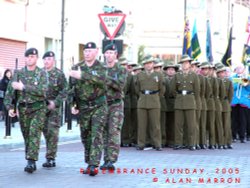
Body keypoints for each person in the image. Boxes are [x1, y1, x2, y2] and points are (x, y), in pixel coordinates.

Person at [4, 47, 48, 173]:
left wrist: (23, 87)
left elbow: (43, 91)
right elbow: (9, 92)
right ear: (25, 58)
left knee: (34, 132)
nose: (30, 59)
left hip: (38, 108)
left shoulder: (42, 73)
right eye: (28, 57)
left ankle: (31, 161)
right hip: (23, 109)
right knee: (27, 135)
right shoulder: (19, 73)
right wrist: (9, 107)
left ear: (36, 58)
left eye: (32, 56)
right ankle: (30, 157)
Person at [69, 42, 108, 176]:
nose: (87, 53)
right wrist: (73, 104)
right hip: (84, 107)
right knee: (85, 136)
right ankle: (89, 162)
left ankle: (93, 164)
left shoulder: (102, 66)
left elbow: (102, 81)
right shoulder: (77, 67)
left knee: (96, 134)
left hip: (99, 106)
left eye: (90, 51)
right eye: (85, 51)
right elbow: (72, 89)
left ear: (96, 52)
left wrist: (83, 75)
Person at [100, 43, 127, 171]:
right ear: (104, 54)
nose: (109, 55)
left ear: (116, 55)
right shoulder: (100, 69)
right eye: (107, 53)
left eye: (112, 53)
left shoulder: (121, 70)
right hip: (102, 104)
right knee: (103, 132)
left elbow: (120, 85)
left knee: (113, 131)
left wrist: (106, 78)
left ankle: (111, 159)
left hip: (115, 104)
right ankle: (105, 159)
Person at [41, 51, 68, 167]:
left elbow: (65, 90)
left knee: (52, 132)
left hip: (53, 108)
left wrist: (56, 102)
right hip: (40, 107)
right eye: (45, 59)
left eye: (49, 59)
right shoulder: (39, 73)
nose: (47, 61)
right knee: (43, 132)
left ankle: (50, 158)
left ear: (54, 61)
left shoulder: (59, 74)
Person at [170, 54, 200, 151]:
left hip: (190, 101)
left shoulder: (194, 76)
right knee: (178, 124)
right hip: (179, 101)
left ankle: (191, 143)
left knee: (191, 125)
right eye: (183, 63)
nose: (184, 65)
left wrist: (189, 97)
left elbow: (197, 90)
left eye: (186, 63)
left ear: (190, 65)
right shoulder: (177, 75)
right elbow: (172, 89)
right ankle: (178, 143)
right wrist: (179, 96)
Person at [134, 55, 164, 151]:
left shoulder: (158, 75)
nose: (148, 65)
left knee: (155, 125)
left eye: (150, 63)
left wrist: (155, 97)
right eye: (146, 64)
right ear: (144, 65)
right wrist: (142, 96)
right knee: (141, 124)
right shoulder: (140, 75)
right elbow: (137, 89)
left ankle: (157, 144)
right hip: (142, 101)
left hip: (154, 101)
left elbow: (162, 89)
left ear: (153, 64)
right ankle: (141, 143)